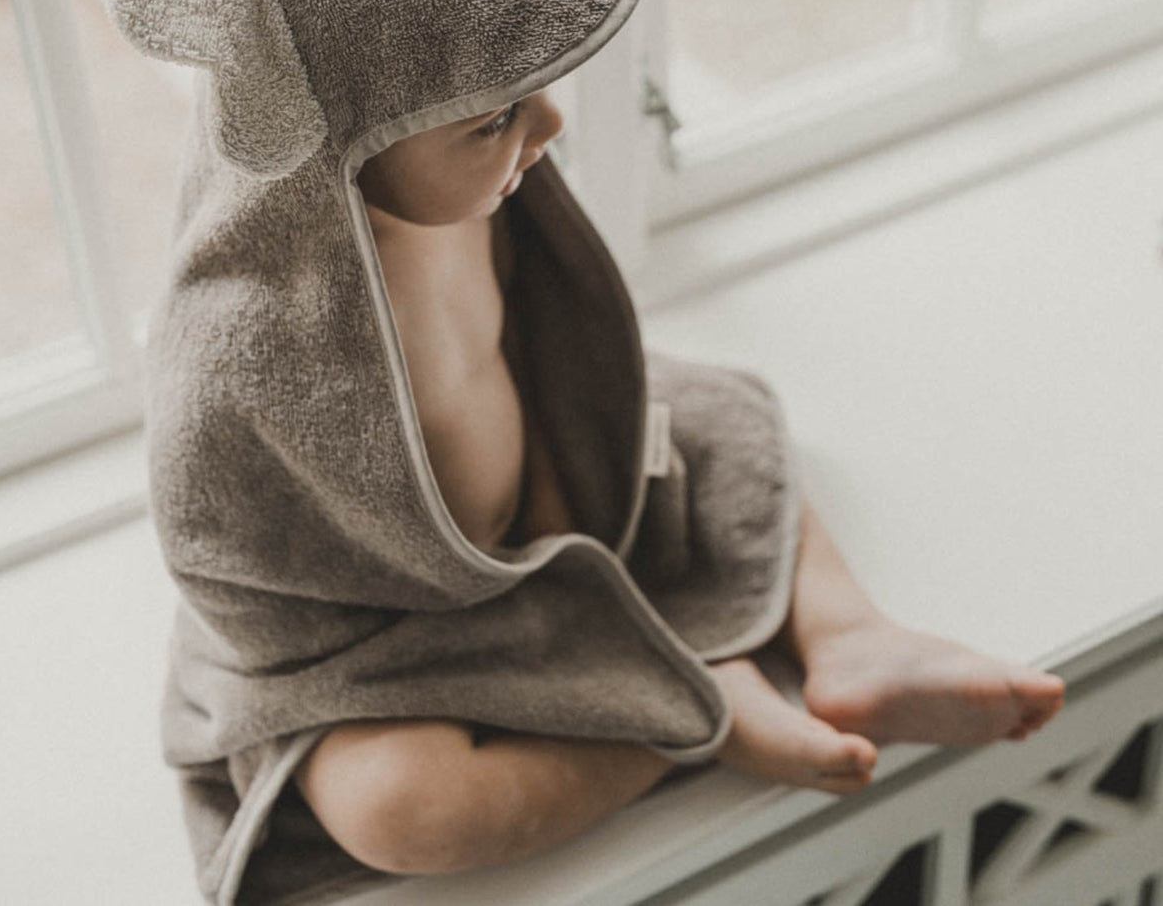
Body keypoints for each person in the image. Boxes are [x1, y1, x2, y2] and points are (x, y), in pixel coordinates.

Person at [292, 89, 1067, 876]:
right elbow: (253, 569)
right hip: (390, 628)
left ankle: (849, 635)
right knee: (402, 809)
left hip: (551, 505)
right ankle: (693, 714)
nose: (553, 123)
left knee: (716, 437)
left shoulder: (464, 178)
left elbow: (543, 332)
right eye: (495, 119)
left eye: (535, 86)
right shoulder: (286, 306)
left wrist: (577, 524)